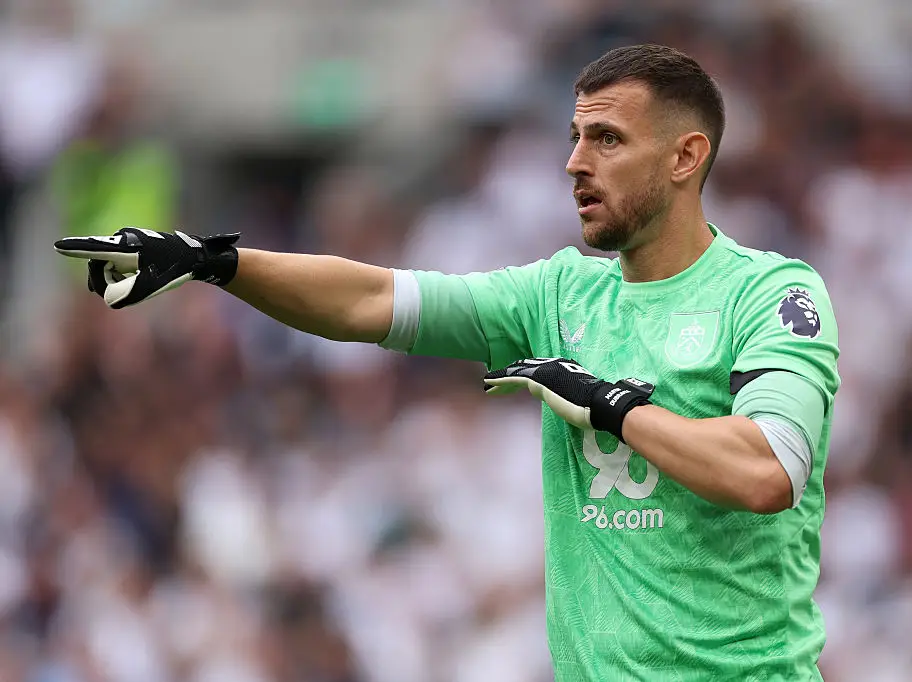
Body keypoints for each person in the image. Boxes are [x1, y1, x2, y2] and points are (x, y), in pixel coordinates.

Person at [55, 44, 840, 681]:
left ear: (685, 156)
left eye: (606, 139)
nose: (575, 162)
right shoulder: (558, 293)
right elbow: (371, 300)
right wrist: (216, 262)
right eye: (574, 137)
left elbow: (767, 470)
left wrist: (612, 407)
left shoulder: (771, 294)